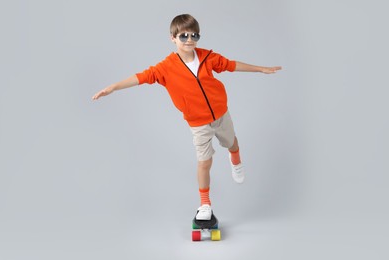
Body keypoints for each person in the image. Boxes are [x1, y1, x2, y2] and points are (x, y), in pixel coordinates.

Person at [92, 14, 282, 220]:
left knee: (232, 143)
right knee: (204, 162)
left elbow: (231, 65)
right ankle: (205, 204)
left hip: (221, 114)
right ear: (173, 38)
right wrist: (113, 87)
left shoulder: (208, 57)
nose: (190, 39)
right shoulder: (165, 68)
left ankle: (235, 160)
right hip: (198, 124)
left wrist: (260, 69)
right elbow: (140, 77)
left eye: (194, 35)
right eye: (183, 36)